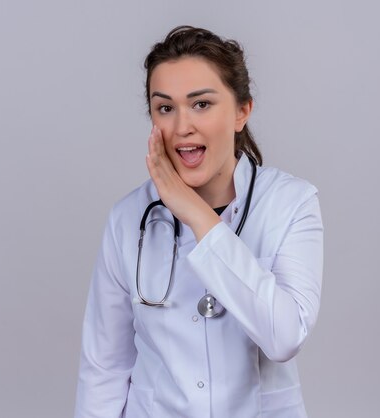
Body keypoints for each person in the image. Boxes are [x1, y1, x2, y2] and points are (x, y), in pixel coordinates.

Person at [75, 25, 323, 418]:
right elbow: (104, 368)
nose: (181, 127)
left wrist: (193, 211)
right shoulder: (127, 219)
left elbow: (284, 337)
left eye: (202, 104)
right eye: (165, 108)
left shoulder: (290, 203)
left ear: (242, 111)